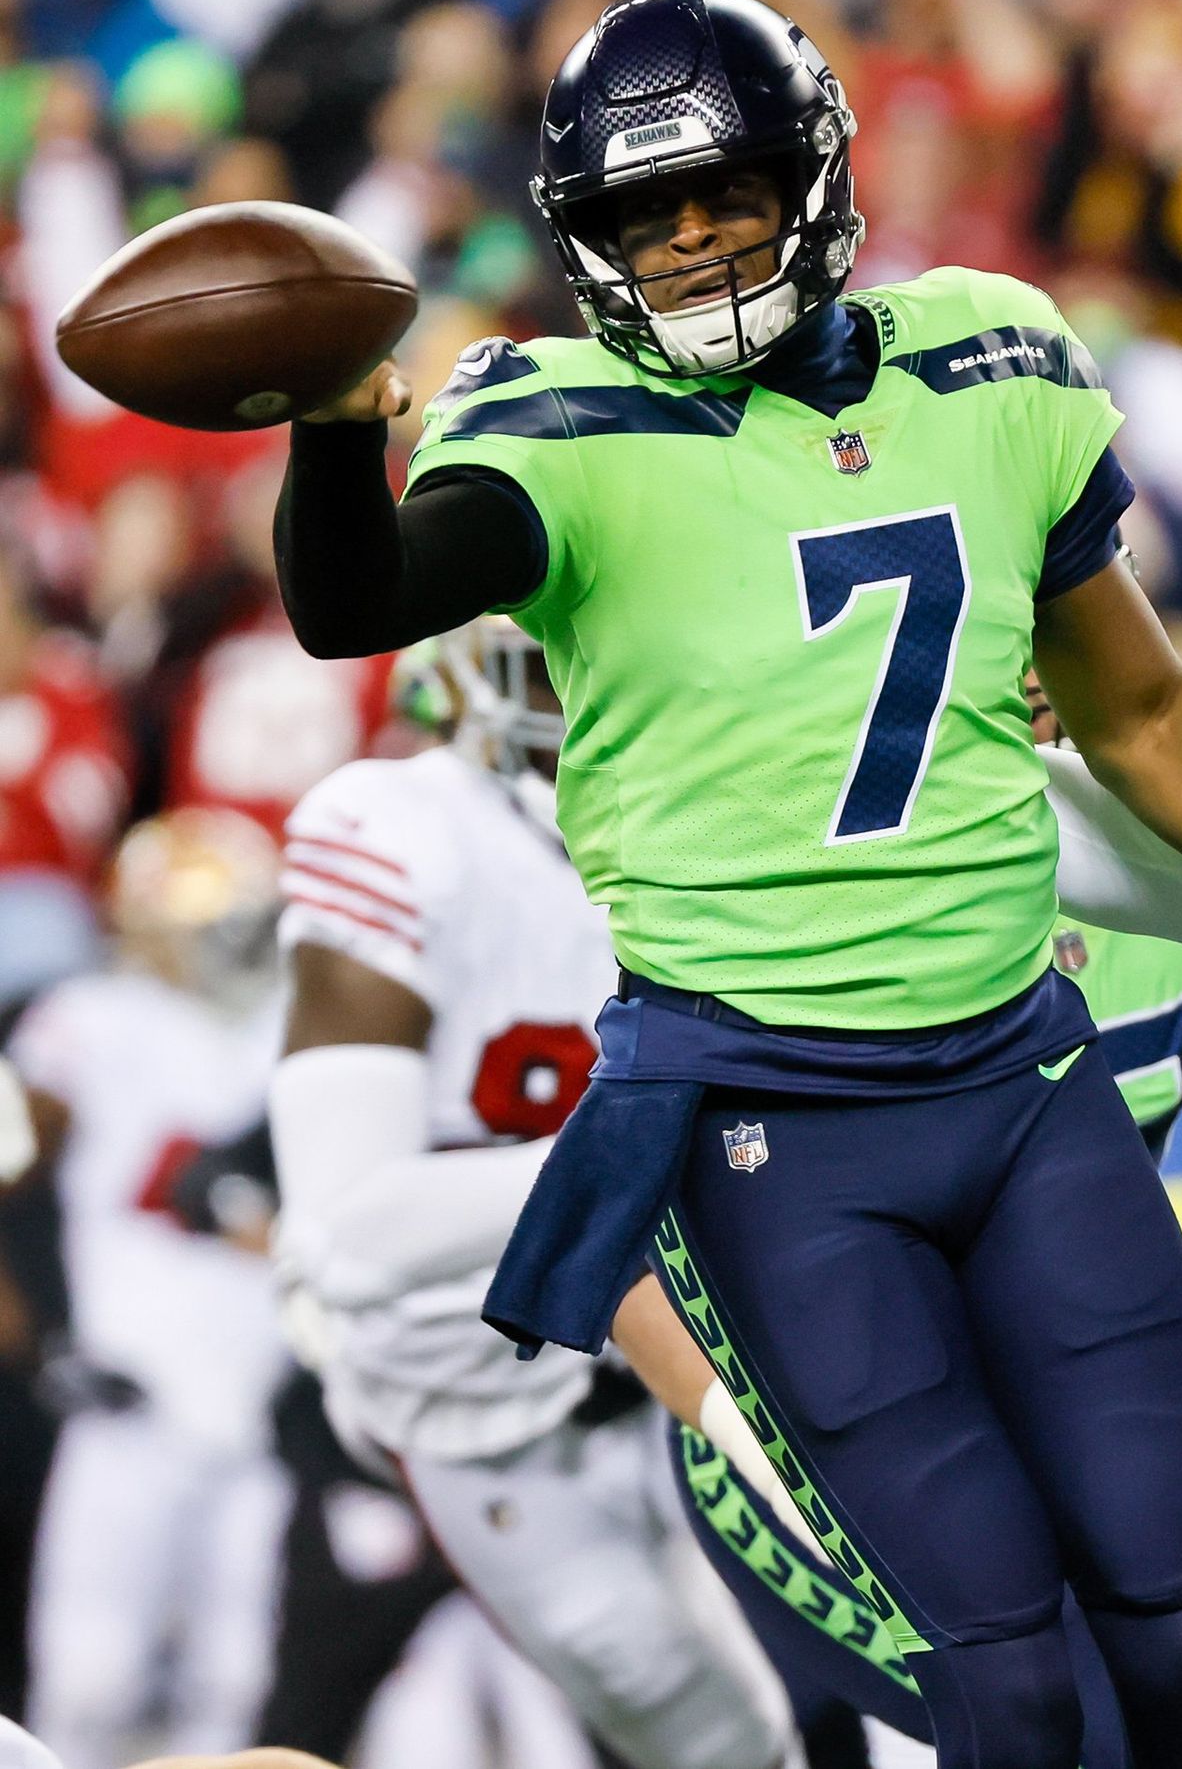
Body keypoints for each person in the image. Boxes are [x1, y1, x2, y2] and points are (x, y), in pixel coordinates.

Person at [270, 0, 1182, 1769]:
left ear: (811, 177)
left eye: (722, 190)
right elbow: (357, 603)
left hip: (1021, 1076)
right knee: (1005, 1668)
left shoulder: (992, 361)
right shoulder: (553, 421)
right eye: (640, 214)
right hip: (774, 1122)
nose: (687, 238)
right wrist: (337, 426)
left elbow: (1140, 712)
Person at [264, 617, 838, 1769]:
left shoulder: (748, 806)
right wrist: (641, 1164)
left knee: (874, 1701)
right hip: (482, 1402)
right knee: (710, 1739)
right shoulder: (400, 828)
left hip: (708, 1342)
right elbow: (345, 1230)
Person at [7, 810, 289, 1769]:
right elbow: (10, 1154)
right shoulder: (90, 1021)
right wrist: (30, 1325)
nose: (238, 943)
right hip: (132, 1399)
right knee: (89, 1678)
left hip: (265, 1408)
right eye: (219, 921)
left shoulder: (300, 1018)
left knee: (238, 1684)